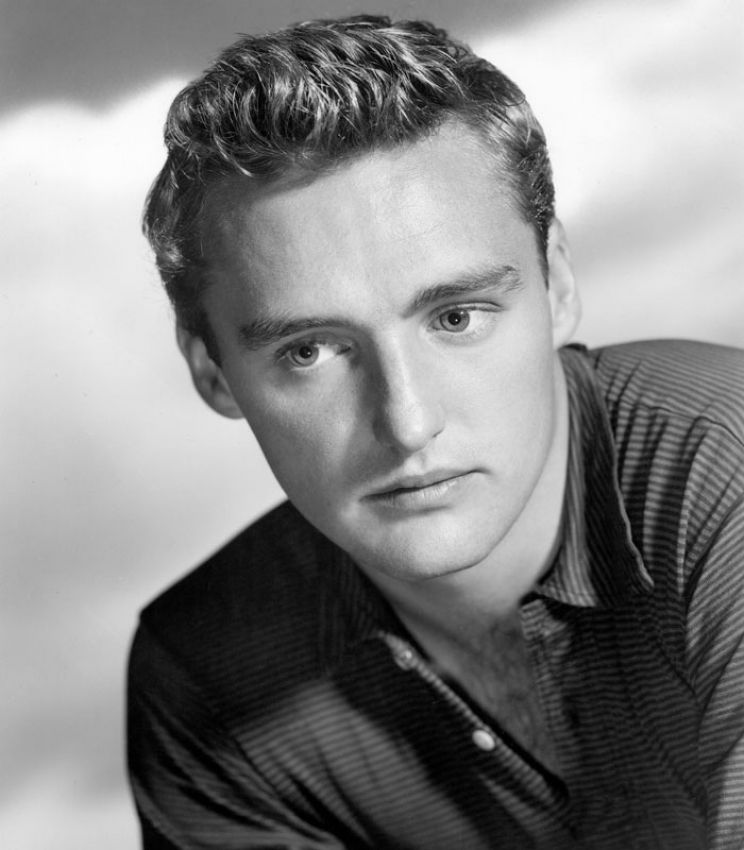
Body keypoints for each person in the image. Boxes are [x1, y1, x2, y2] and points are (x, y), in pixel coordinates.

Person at [127, 15, 744, 849]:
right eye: (310, 351)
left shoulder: (725, 460)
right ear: (212, 370)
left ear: (557, 284)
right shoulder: (207, 674)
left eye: (456, 317)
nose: (409, 420)